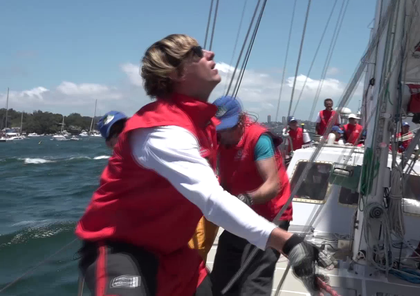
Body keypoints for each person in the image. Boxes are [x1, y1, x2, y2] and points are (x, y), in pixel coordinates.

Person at [75, 34, 325, 296]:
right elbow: (210, 197)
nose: (210, 54)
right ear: (177, 73)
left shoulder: (201, 124)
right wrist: (287, 243)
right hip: (122, 249)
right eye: (196, 53)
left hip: (174, 250)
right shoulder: (162, 131)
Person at [211, 96, 294, 296]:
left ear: (241, 121)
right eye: (219, 129)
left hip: (269, 216)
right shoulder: (219, 139)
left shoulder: (259, 139)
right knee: (222, 277)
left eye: (228, 129)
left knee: (254, 282)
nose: (223, 134)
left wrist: (245, 199)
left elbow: (272, 185)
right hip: (240, 215)